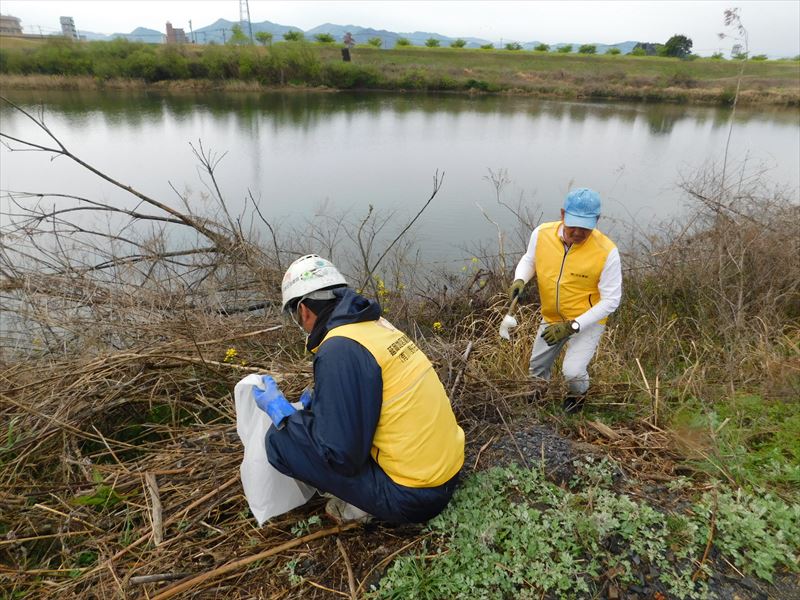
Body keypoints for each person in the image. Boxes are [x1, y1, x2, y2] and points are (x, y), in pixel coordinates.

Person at [256, 255, 465, 523]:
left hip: (414, 496)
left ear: (304, 310)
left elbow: (340, 456)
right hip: (447, 471)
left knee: (279, 440)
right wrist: (321, 403)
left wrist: (286, 417)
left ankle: (361, 506)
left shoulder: (339, 348)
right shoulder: (376, 327)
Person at [509, 188, 622, 413]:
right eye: (573, 225)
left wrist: (573, 326)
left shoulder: (607, 252)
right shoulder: (541, 234)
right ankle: (535, 400)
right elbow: (529, 259)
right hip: (552, 317)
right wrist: (520, 279)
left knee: (573, 371)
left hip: (587, 322)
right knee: (537, 367)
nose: (578, 232)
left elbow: (611, 300)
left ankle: (577, 397)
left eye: (586, 227)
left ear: (597, 221)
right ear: (562, 214)